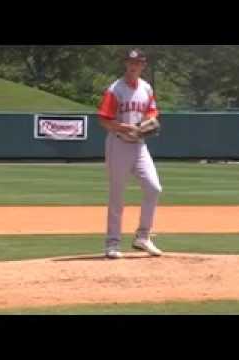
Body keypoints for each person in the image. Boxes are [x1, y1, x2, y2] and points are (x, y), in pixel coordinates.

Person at [97, 48, 163, 259]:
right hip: (118, 145)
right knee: (117, 195)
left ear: (143, 65)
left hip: (139, 145)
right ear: (125, 64)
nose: (133, 66)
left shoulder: (146, 88)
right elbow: (104, 119)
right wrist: (128, 128)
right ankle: (112, 243)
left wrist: (147, 121)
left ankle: (143, 236)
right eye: (130, 62)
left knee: (153, 188)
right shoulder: (115, 89)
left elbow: (152, 110)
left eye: (138, 62)